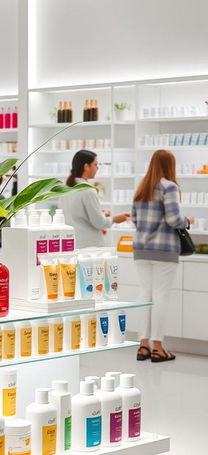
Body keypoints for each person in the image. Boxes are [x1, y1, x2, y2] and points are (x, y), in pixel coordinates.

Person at [132, 150, 194, 363]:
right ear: (170, 166)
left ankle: (143, 345)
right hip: (164, 250)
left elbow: (134, 219)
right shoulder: (170, 186)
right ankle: (158, 347)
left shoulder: (141, 187)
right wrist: (187, 220)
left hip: (141, 249)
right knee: (160, 297)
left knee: (144, 296)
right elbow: (174, 219)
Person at [61, 150, 130, 248]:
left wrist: (101, 214)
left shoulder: (64, 189)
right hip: (89, 246)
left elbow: (75, 215)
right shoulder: (88, 190)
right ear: (86, 167)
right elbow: (99, 223)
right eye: (95, 165)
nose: (97, 168)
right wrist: (115, 219)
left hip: (70, 243)